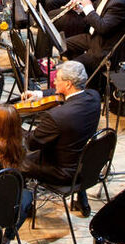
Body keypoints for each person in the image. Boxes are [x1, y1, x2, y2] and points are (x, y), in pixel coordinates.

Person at [19, 60, 100, 209]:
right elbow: (59, 94)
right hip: (87, 166)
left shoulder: (57, 116)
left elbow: (31, 143)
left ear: (68, 84)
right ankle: (82, 201)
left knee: (16, 161)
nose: (54, 82)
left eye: (57, 79)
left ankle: (24, 209)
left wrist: (13, 127)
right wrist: (39, 94)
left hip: (63, 173)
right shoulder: (94, 97)